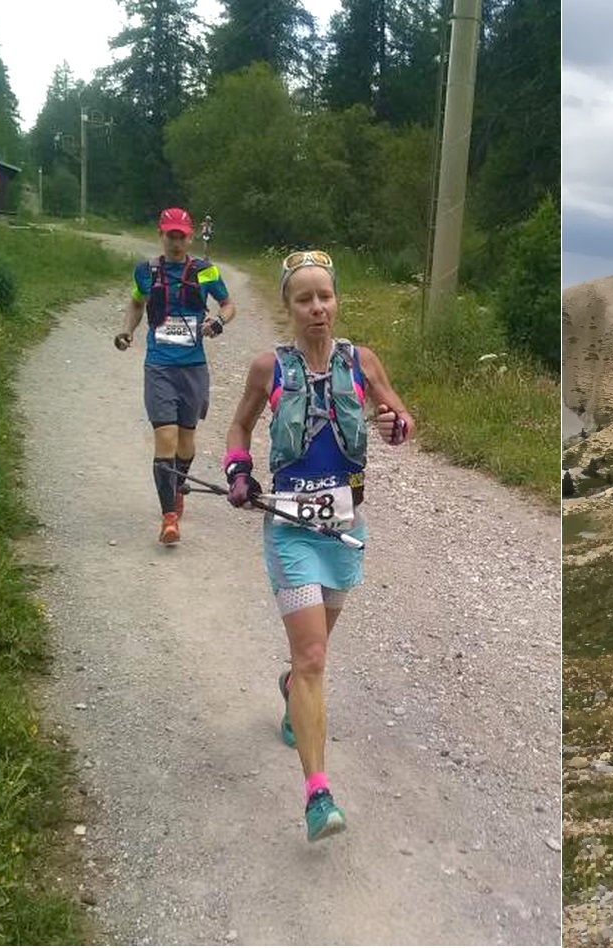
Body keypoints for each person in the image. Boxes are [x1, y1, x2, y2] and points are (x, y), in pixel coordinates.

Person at [220, 249, 416, 842]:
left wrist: (396, 426)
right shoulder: (267, 368)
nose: (316, 308)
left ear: (336, 300)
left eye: (324, 296)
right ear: (288, 306)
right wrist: (237, 471)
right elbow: (238, 427)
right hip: (289, 529)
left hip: (345, 531)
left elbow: (401, 417)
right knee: (313, 658)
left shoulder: (363, 361)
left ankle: (290, 693)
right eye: (304, 298)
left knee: (312, 654)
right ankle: (317, 795)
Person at [115, 207, 236, 546]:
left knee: (186, 441)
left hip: (193, 366)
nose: (176, 241)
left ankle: (178, 486)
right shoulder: (145, 272)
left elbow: (228, 305)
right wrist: (128, 331)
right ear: (161, 234)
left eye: (181, 235)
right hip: (159, 366)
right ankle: (169, 517)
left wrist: (218, 323)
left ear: (190, 236)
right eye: (170, 234)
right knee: (165, 439)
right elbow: (137, 304)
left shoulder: (206, 271)